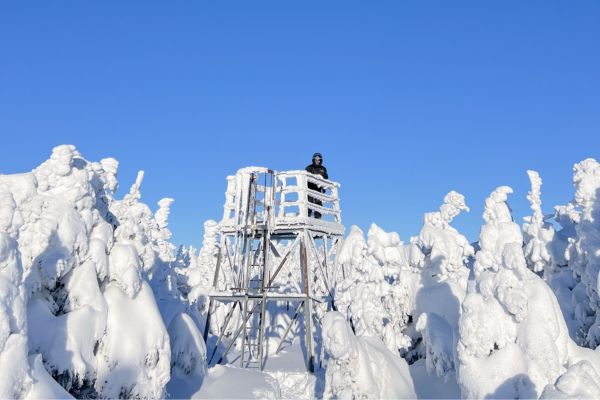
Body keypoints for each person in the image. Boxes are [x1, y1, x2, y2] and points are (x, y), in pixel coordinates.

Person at [305, 152, 328, 218]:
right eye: (315, 159)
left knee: (318, 204)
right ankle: (307, 217)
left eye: (318, 160)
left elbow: (326, 178)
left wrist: (324, 188)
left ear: (320, 160)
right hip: (310, 189)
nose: (317, 161)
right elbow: (305, 177)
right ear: (313, 160)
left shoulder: (323, 169)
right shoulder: (309, 168)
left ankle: (318, 218)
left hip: (318, 189)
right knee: (309, 203)